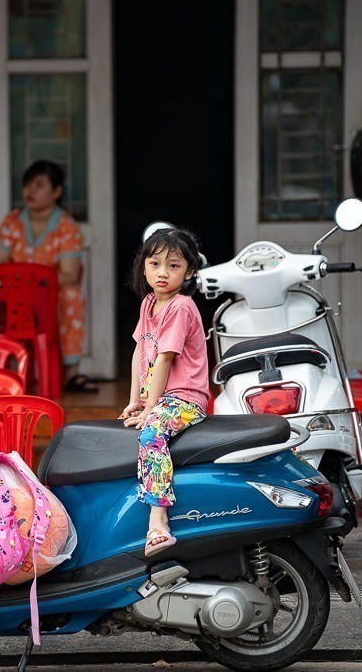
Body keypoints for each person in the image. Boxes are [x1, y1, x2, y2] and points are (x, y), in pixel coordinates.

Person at [120, 227, 210, 558]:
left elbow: (165, 358)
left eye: (173, 266)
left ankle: (159, 520)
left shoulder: (181, 306)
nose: (162, 273)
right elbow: (139, 352)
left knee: (151, 434)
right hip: (160, 398)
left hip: (185, 399)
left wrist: (150, 410)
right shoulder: (149, 304)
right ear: (143, 267)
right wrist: (135, 401)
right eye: (155, 263)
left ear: (189, 271)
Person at [0, 159, 97, 392]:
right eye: (28, 184)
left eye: (39, 185)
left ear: (57, 191)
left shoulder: (66, 226)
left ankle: (71, 373)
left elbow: (69, 275)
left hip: (51, 296)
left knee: (72, 296)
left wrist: (33, 281)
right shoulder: (12, 222)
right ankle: (2, 371)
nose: (31, 190)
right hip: (14, 294)